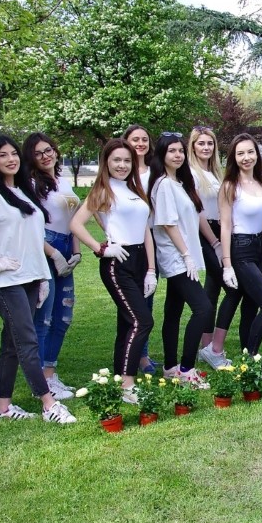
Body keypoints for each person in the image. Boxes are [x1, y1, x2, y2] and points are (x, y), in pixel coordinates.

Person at [0, 136, 76, 425]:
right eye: (3, 155)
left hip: (32, 277)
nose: (10, 159)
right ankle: (48, 404)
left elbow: (35, 238)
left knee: (11, 343)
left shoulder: (24, 191)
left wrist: (44, 276)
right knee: (27, 339)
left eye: (13, 153)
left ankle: (2, 408)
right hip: (6, 281)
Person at [70, 139, 156, 401]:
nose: (122, 165)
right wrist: (100, 248)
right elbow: (76, 224)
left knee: (127, 323)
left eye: (127, 160)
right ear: (106, 162)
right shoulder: (103, 189)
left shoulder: (134, 189)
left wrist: (151, 269)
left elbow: (145, 230)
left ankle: (121, 378)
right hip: (118, 262)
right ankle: (127, 385)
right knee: (142, 321)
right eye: (116, 160)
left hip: (140, 261)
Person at [148, 132, 213, 382]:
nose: (178, 155)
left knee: (173, 311)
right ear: (161, 155)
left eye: (180, 151)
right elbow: (168, 223)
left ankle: (170, 366)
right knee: (203, 308)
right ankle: (186, 369)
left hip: (183, 255)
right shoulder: (164, 184)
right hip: (175, 257)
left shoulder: (178, 183)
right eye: (171, 151)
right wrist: (186, 255)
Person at [23, 132, 82, 400]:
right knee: (44, 317)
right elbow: (30, 227)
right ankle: (40, 384)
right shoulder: (30, 184)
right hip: (45, 248)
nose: (45, 156)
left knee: (63, 316)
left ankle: (50, 373)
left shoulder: (63, 180)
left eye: (48, 150)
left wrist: (76, 250)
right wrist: (53, 253)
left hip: (66, 246)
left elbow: (73, 219)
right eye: (38, 153)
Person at [214, 134, 262, 354]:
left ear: (257, 154)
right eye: (240, 153)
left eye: (250, 152)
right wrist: (227, 265)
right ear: (233, 157)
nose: (246, 158)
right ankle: (252, 354)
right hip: (240, 248)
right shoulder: (229, 186)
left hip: (260, 247)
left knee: (251, 306)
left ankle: (247, 353)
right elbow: (225, 226)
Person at [187, 126, 230, 368]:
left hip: (218, 230)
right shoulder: (192, 174)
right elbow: (198, 212)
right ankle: (212, 348)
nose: (206, 147)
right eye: (201, 143)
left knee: (211, 291)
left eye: (210, 143)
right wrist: (214, 242)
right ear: (193, 146)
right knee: (231, 287)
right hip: (205, 233)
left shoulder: (214, 173)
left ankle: (205, 345)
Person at [124, 123, 158, 374]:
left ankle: (142, 355)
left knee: (147, 297)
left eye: (144, 139)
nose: (140, 143)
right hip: (128, 240)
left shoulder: (155, 171)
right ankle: (130, 353)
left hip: (151, 237)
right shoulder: (121, 170)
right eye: (135, 139)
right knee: (130, 302)